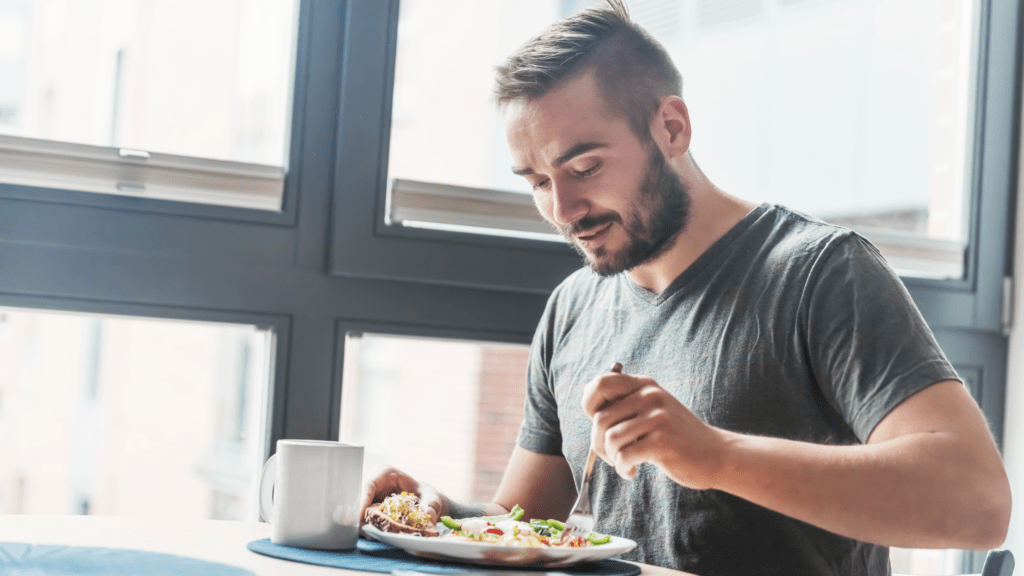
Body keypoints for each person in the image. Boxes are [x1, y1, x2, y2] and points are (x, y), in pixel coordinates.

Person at [360, 2, 1012, 574]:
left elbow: (976, 505)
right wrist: (440, 518)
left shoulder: (823, 272)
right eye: (536, 181)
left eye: (584, 166)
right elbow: (522, 524)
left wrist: (716, 456)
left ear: (671, 128)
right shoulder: (573, 308)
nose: (563, 208)